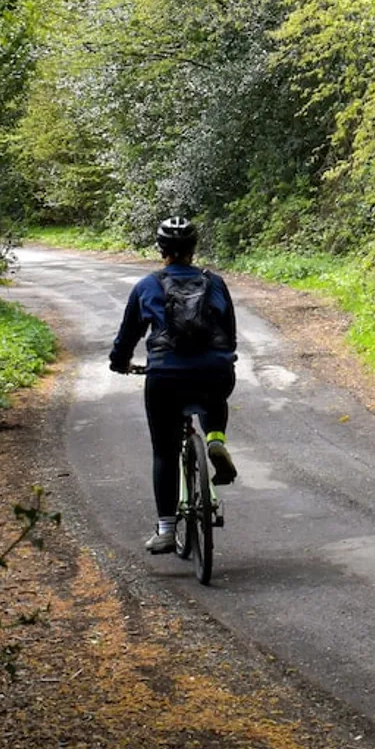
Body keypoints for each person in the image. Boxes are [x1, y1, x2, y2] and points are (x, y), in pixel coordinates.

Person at [108, 216, 240, 554]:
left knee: (164, 451)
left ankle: (166, 529)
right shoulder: (215, 283)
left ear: (161, 249)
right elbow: (229, 330)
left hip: (166, 376)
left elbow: (127, 337)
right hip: (214, 370)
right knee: (215, 393)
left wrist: (120, 363)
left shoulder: (147, 286)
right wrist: (224, 356)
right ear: (194, 249)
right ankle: (215, 439)